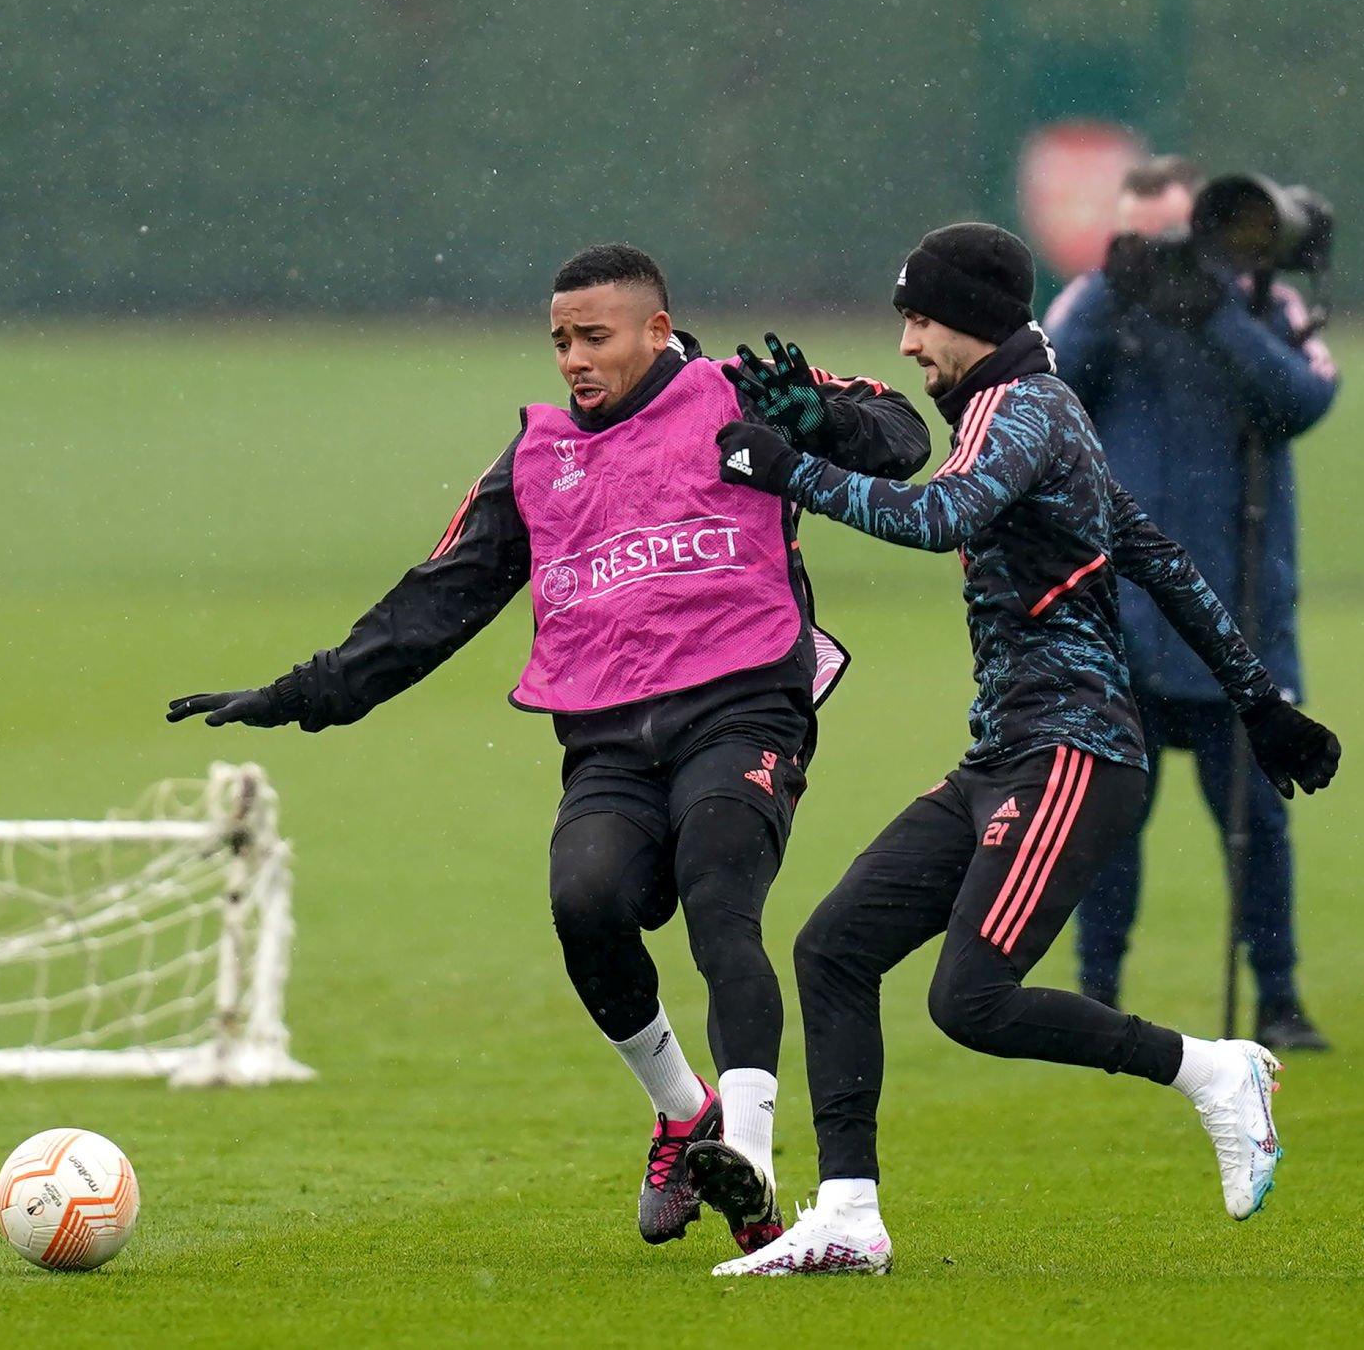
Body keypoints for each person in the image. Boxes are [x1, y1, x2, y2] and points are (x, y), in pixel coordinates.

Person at [166, 243, 931, 1248]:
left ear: (657, 331)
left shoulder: (738, 391)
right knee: (587, 904)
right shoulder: (536, 458)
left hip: (744, 707)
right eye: (559, 340)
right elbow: (437, 600)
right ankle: (679, 1111)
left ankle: (749, 1163)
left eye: (594, 337)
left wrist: (819, 421)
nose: (572, 358)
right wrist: (302, 694)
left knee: (717, 891)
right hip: (610, 736)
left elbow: (903, 435)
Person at [700, 222, 1341, 1276]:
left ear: (971, 321)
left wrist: (788, 467)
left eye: (917, 319)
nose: (905, 343)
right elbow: (1156, 557)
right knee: (832, 949)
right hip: (1005, 751)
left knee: (970, 1001)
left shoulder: (1022, 408)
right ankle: (850, 1216)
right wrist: (1255, 696)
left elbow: (939, 517)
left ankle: (1211, 1071)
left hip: (1071, 750)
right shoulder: (1034, 405)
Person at [1045, 157, 1341, 1050]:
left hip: (1239, 616)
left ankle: (1278, 997)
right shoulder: (1093, 305)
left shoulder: (1261, 308)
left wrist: (1215, 313)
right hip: (1120, 620)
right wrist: (1113, 293)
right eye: (1139, 238)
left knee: (1258, 825)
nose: (1161, 253)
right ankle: (1096, 992)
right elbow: (1050, 383)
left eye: (1177, 234)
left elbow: (1304, 398)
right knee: (1107, 827)